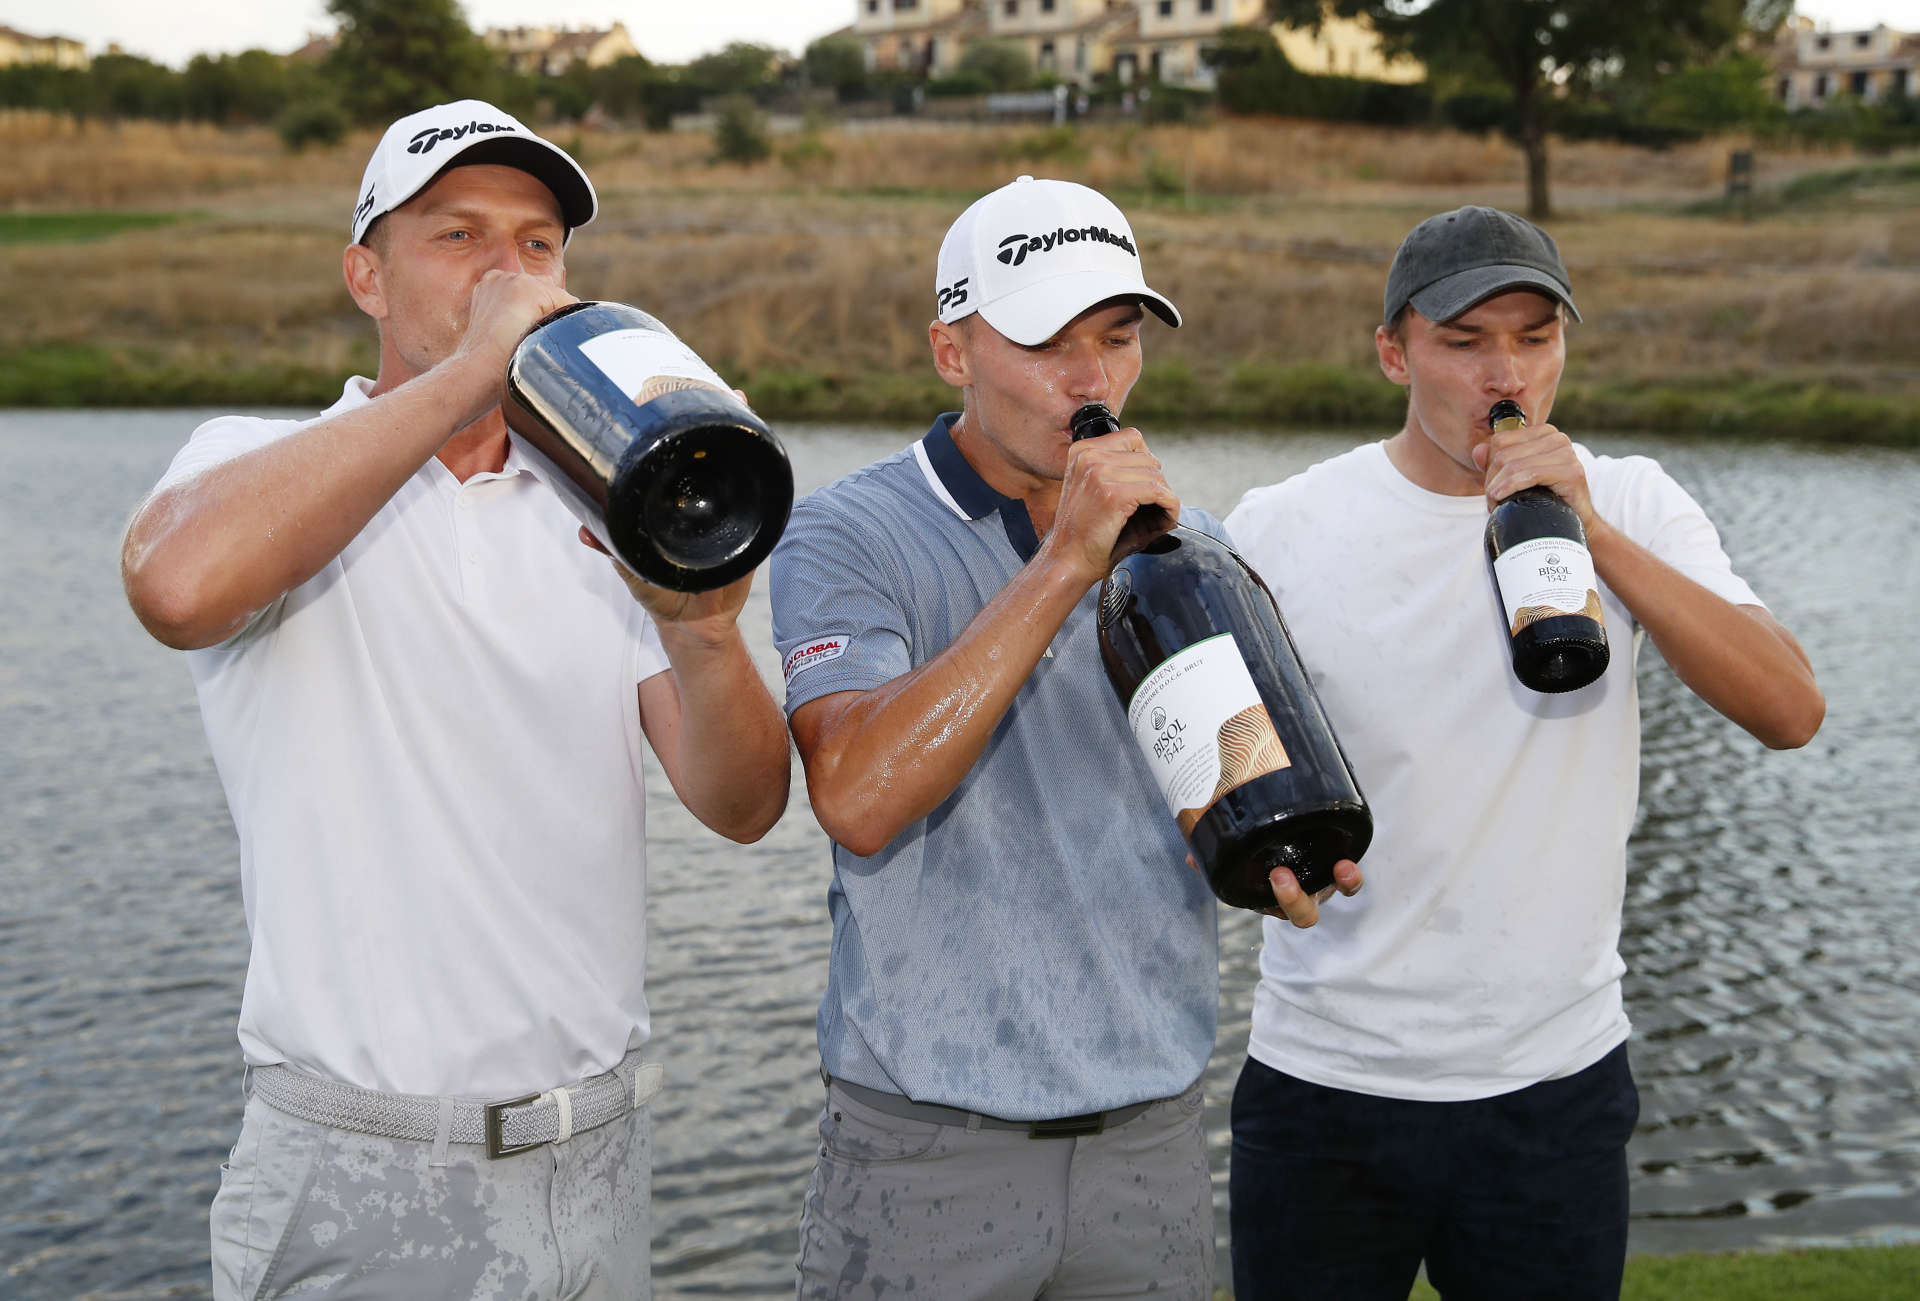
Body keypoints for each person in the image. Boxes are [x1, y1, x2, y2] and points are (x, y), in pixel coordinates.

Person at [119, 100, 791, 1300]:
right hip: (362, 1163)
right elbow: (176, 586)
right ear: (365, 275)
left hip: (595, 1154)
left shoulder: (609, 505)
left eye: (538, 245)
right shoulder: (262, 460)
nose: (508, 271)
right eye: (458, 236)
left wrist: (707, 634)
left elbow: (741, 803)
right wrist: (479, 370)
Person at [768, 175, 1362, 1300]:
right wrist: (1062, 565)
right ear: (953, 351)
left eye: (1119, 336)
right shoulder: (849, 532)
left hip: (1151, 1133)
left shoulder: (1199, 548)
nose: (1094, 380)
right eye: (1048, 342)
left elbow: (1227, 784)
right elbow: (856, 793)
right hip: (924, 1145)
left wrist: (1276, 844)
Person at [1223, 205, 1825, 1300]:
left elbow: (1789, 707)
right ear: (1393, 351)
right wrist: (1259, 854)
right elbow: (1224, 762)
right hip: (1328, 1080)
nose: (1505, 370)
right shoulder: (1281, 524)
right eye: (1464, 341)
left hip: (1552, 1084)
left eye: (1536, 336)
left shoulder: (1631, 498)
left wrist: (1588, 528)